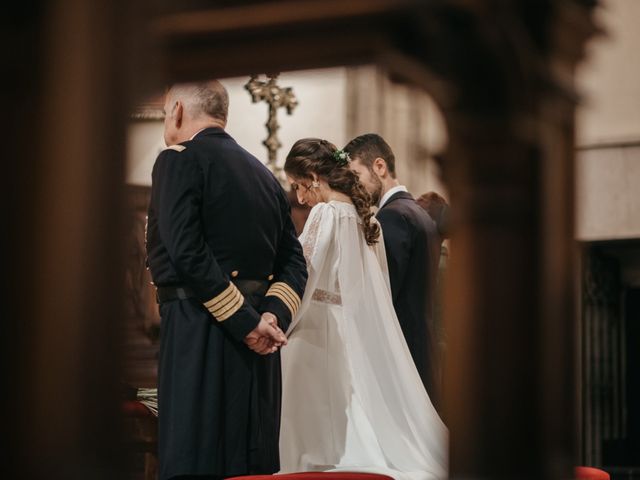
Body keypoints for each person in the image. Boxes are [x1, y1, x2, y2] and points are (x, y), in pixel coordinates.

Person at [146, 81, 308, 480]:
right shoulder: (264, 175)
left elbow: (185, 251)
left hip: (197, 328)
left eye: (167, 112)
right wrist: (269, 318)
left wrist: (244, 323)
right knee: (249, 457)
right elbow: (294, 261)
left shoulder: (178, 160)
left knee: (195, 454)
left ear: (178, 110)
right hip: (260, 345)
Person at [279, 138, 447, 480]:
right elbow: (379, 286)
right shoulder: (365, 218)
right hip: (351, 331)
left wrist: (282, 322)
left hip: (316, 331)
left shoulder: (325, 213)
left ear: (312, 176)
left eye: (298, 185)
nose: (299, 197)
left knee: (314, 439)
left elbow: (304, 276)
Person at [344, 134, 442, 406]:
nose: (355, 186)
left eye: (356, 175)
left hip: (402, 352)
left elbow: (382, 291)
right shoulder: (418, 213)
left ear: (379, 166)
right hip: (422, 344)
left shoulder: (393, 217)